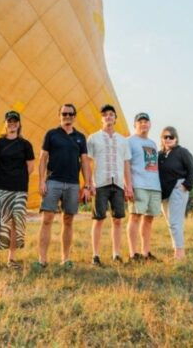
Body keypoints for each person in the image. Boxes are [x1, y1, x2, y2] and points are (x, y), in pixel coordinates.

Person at [36, 103, 92, 269]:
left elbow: (85, 162)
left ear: (74, 116)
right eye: (64, 114)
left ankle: (65, 258)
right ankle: (42, 259)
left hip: (73, 183)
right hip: (53, 181)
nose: (67, 116)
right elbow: (43, 158)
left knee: (68, 220)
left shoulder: (80, 137)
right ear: (59, 115)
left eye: (70, 114)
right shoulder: (51, 134)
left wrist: (87, 185)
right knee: (47, 219)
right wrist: (41, 181)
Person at [86, 104, 133, 266]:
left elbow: (126, 163)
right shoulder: (93, 138)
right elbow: (88, 163)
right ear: (101, 118)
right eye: (105, 115)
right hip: (100, 183)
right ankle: (95, 255)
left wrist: (129, 185)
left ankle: (116, 253)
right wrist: (89, 183)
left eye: (111, 115)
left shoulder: (122, 140)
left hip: (118, 183)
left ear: (115, 118)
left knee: (118, 219)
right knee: (98, 219)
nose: (108, 117)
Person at [0, 111, 35, 270]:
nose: (12, 124)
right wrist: (1, 176)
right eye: (9, 121)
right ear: (5, 123)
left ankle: (11, 259)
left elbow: (31, 167)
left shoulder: (25, 145)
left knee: (16, 223)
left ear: (19, 124)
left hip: (19, 190)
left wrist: (18, 177)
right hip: (0, 187)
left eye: (15, 121)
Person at [127, 112, 162, 262]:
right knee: (135, 217)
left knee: (149, 219)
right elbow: (126, 164)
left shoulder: (153, 144)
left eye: (146, 121)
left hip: (154, 185)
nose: (143, 124)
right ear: (135, 124)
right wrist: (128, 185)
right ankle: (133, 254)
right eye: (140, 121)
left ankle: (146, 253)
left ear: (150, 125)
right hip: (138, 184)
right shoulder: (129, 141)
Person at [158, 126, 193, 261]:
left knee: (175, 222)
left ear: (176, 138)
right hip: (164, 193)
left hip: (178, 189)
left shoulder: (182, 152)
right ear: (161, 139)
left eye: (171, 137)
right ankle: (176, 249)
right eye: (165, 137)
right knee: (170, 223)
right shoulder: (160, 155)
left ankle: (179, 253)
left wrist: (186, 185)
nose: (168, 139)